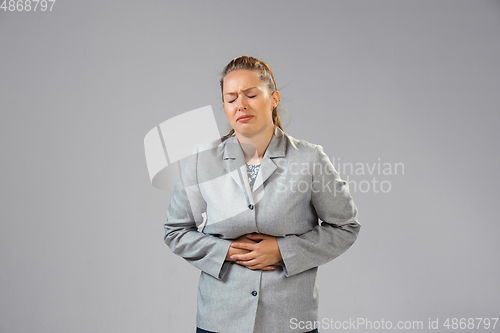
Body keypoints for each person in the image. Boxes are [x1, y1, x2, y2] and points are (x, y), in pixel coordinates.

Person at [163, 56, 361, 333]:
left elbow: (345, 227)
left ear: (274, 98)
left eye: (251, 94)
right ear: (224, 107)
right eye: (231, 99)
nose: (240, 104)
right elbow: (176, 231)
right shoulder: (202, 161)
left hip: (289, 320)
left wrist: (283, 251)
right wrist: (228, 252)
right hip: (220, 319)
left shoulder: (309, 159)